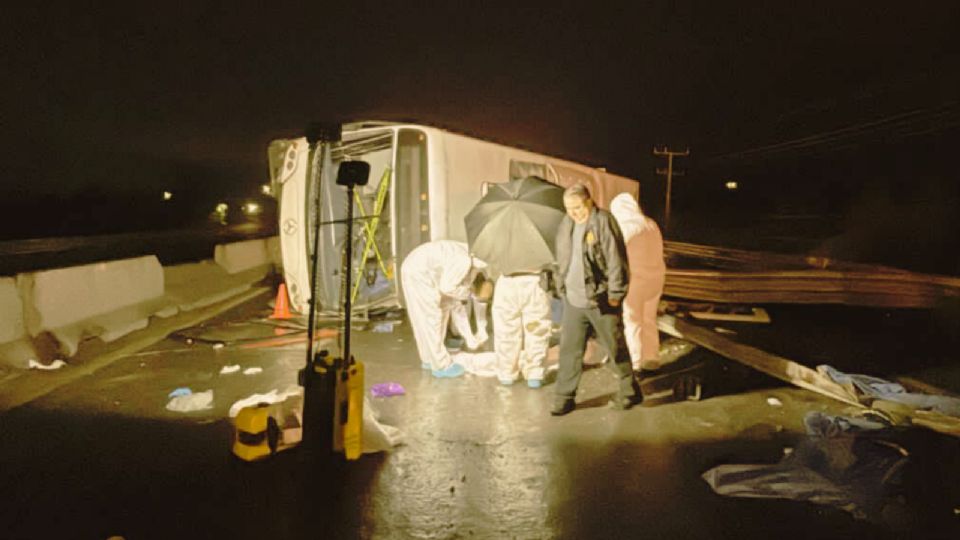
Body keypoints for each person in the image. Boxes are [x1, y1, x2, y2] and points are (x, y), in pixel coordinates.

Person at [551, 184, 641, 415]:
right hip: (573, 300)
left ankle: (629, 391)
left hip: (600, 299)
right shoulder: (566, 223)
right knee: (569, 351)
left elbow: (615, 259)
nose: (574, 213)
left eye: (578, 207)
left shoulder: (604, 221)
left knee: (615, 348)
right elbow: (561, 258)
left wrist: (615, 294)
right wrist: (561, 287)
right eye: (569, 208)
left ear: (589, 202)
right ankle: (564, 397)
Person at [400, 240, 490, 378]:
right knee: (432, 318)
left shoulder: (471, 267)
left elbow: (456, 306)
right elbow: (447, 288)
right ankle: (441, 365)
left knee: (439, 312)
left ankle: (429, 359)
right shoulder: (463, 262)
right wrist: (465, 293)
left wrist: (470, 338)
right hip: (419, 273)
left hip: (417, 266)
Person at [609, 192, 666, 374]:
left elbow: (616, 253)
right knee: (649, 318)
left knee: (632, 320)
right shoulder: (651, 224)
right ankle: (652, 357)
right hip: (656, 279)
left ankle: (635, 362)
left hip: (636, 281)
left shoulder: (626, 227)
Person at [491, 268, 552, 388]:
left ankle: (506, 373)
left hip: (506, 280)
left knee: (505, 330)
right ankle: (535, 373)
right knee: (537, 329)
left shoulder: (499, 248)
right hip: (535, 280)